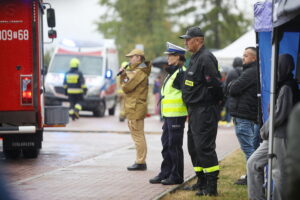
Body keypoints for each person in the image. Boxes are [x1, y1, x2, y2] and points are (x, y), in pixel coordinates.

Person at [247, 54, 298, 200]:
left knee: (279, 173)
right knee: (253, 164)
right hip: (274, 135)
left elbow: (280, 114)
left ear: (284, 67)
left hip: (281, 136)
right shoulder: (281, 85)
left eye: (278, 66)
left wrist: (264, 130)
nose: (275, 70)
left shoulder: (287, 87)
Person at [179, 26, 223, 196]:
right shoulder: (195, 58)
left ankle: (211, 187)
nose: (186, 42)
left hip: (205, 110)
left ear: (199, 40)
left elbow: (216, 85)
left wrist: (211, 103)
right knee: (194, 147)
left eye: (188, 39)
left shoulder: (205, 58)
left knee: (204, 147)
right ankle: (201, 181)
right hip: (195, 110)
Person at [149, 42, 187, 185]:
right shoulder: (172, 73)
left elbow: (186, 94)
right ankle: (165, 172)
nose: (168, 58)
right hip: (169, 116)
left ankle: (176, 175)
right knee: (166, 144)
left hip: (177, 115)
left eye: (171, 55)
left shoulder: (181, 73)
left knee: (174, 146)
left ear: (178, 57)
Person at [227, 47, 260, 185]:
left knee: (249, 149)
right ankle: (252, 176)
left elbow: (233, 89)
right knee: (252, 148)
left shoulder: (250, 72)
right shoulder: (253, 71)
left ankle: (253, 178)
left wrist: (231, 84)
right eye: (243, 55)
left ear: (254, 58)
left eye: (246, 56)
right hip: (249, 115)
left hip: (244, 116)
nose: (243, 58)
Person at [120, 49, 151, 171]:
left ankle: (140, 161)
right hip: (134, 106)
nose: (130, 60)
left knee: (138, 135)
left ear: (138, 58)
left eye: (132, 57)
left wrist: (123, 76)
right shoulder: (138, 71)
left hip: (136, 107)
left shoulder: (139, 72)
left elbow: (126, 87)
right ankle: (140, 160)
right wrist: (125, 75)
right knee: (137, 135)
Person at [223, 57, 243, 125]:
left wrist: (225, 94)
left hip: (231, 96)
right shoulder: (245, 71)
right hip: (242, 97)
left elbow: (226, 85)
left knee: (229, 110)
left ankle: (229, 122)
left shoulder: (231, 72)